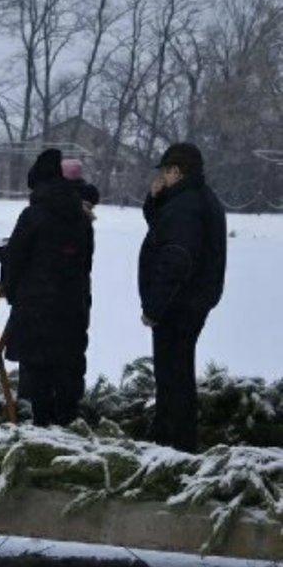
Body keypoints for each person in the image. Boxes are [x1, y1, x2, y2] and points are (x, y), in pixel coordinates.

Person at [138, 142, 227, 453]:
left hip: (178, 303)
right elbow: (164, 230)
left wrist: (154, 307)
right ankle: (167, 437)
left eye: (165, 171)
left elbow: (176, 258)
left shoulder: (186, 205)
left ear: (176, 171)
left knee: (173, 373)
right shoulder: (196, 199)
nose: (162, 177)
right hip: (192, 300)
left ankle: (176, 445)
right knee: (176, 370)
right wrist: (154, 200)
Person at [0, 148, 94, 427]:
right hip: (72, 304)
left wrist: (13, 293)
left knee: (37, 369)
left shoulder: (33, 215)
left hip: (37, 305)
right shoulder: (81, 217)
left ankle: (40, 428)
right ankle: (67, 421)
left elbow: (15, 260)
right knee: (67, 366)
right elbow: (86, 261)